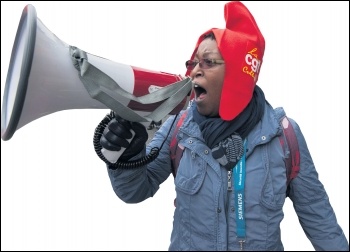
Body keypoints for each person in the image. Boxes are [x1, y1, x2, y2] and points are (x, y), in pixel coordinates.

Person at [95, 1, 349, 251]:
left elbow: (319, 220)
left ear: (239, 73)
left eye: (208, 62)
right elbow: (134, 191)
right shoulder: (178, 127)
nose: (194, 71)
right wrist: (126, 156)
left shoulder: (284, 135)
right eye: (192, 63)